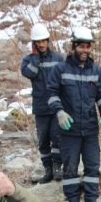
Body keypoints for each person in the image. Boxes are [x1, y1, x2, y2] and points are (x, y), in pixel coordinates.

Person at [47, 27, 101, 202]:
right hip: (69, 130)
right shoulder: (60, 69)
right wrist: (59, 112)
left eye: (88, 46)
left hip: (91, 129)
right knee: (71, 169)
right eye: (81, 46)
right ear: (74, 46)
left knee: (92, 167)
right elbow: (51, 94)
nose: (85, 50)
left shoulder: (96, 70)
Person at [21, 23, 65, 184]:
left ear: (48, 41)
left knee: (57, 137)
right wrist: (36, 59)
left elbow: (64, 80)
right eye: (38, 42)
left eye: (43, 41)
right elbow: (29, 73)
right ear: (34, 44)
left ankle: (57, 167)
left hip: (56, 106)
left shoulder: (58, 58)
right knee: (43, 139)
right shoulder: (28, 60)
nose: (41, 45)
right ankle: (48, 169)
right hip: (40, 107)